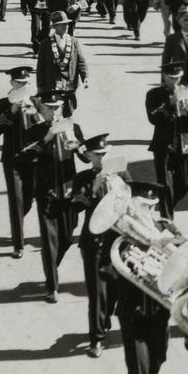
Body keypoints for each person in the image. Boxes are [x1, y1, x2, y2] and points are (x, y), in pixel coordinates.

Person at [15, 90, 82, 303]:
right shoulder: (35, 131)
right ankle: (52, 285)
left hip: (70, 191)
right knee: (49, 240)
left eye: (57, 107)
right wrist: (47, 138)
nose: (53, 112)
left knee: (68, 237)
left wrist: (77, 144)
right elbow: (24, 157)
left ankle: (52, 267)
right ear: (41, 110)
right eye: (49, 108)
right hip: (46, 193)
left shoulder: (74, 127)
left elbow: (86, 157)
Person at [68, 135, 123, 358]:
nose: (102, 158)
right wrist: (94, 187)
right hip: (94, 243)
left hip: (117, 240)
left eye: (104, 154)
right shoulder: (83, 178)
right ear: (88, 156)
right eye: (97, 155)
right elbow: (76, 205)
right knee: (97, 294)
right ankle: (96, 339)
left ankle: (105, 317)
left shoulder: (121, 174)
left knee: (115, 288)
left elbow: (132, 198)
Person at [115, 180, 175, 374]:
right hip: (132, 310)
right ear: (132, 204)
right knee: (140, 369)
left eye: (152, 206)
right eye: (144, 206)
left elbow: (186, 258)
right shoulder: (119, 232)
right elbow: (104, 270)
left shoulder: (166, 228)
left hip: (159, 310)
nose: (149, 211)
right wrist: (130, 268)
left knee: (158, 360)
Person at [0, 66, 40, 259]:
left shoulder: (36, 101)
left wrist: (34, 112)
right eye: (19, 83)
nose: (22, 86)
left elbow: (45, 127)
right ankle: (18, 244)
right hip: (12, 159)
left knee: (28, 198)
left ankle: (16, 223)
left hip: (33, 159)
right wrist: (11, 111)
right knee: (16, 200)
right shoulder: (2, 104)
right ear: (11, 83)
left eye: (26, 83)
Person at [145, 62, 188, 209]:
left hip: (185, 144)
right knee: (165, 185)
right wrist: (170, 104)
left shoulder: (187, 91)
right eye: (172, 78)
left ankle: (167, 205)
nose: (176, 81)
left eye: (178, 78)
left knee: (185, 184)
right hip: (163, 145)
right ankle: (166, 219)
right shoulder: (154, 94)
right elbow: (153, 118)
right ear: (164, 77)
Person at [36, 11, 89, 97]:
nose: (66, 26)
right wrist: (40, 86)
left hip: (70, 84)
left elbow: (81, 61)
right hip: (52, 85)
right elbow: (40, 67)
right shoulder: (45, 44)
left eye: (67, 24)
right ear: (55, 26)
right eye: (63, 24)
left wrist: (85, 77)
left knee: (69, 108)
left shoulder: (74, 41)